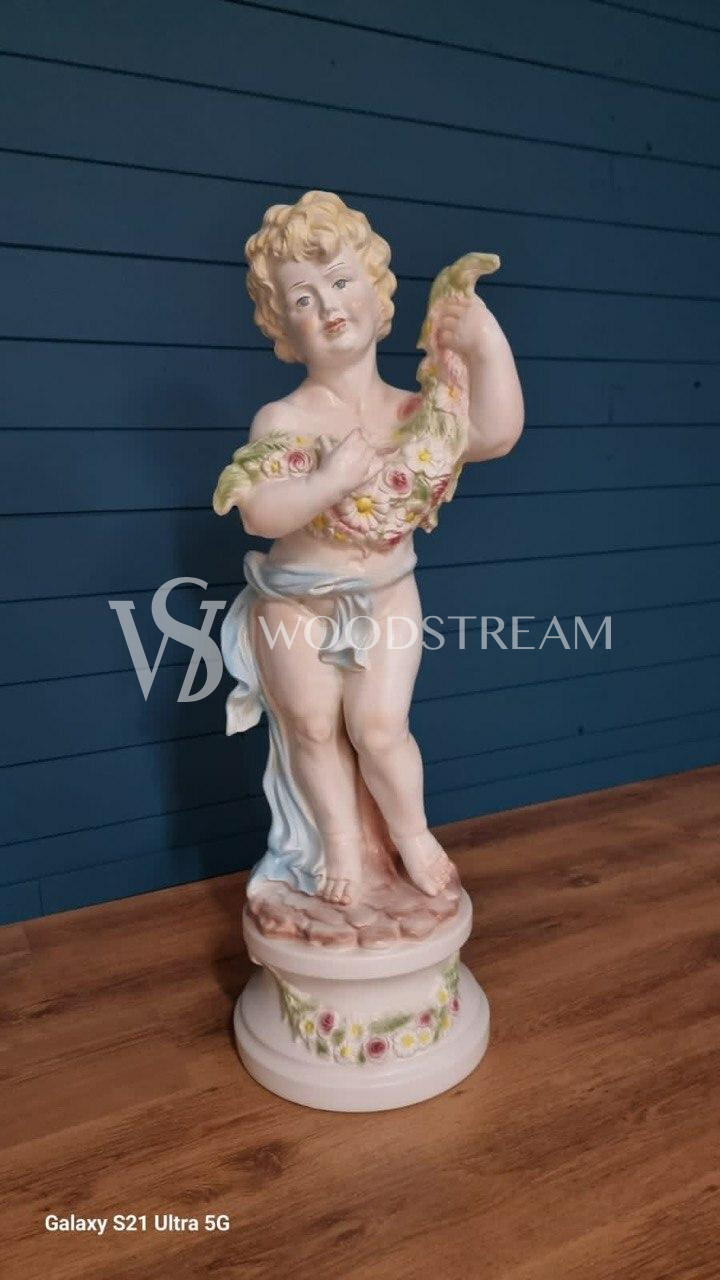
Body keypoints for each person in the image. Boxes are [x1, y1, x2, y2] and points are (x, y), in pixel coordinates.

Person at [213, 191, 524, 924]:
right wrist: (328, 481)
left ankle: (411, 834)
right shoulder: (283, 418)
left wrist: (486, 344)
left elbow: (496, 432)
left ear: (377, 291)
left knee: (381, 729)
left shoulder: (414, 414)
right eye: (303, 298)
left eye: (341, 281)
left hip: (384, 592)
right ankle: (341, 845)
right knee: (312, 726)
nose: (328, 306)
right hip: (293, 599)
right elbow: (259, 512)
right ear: (282, 326)